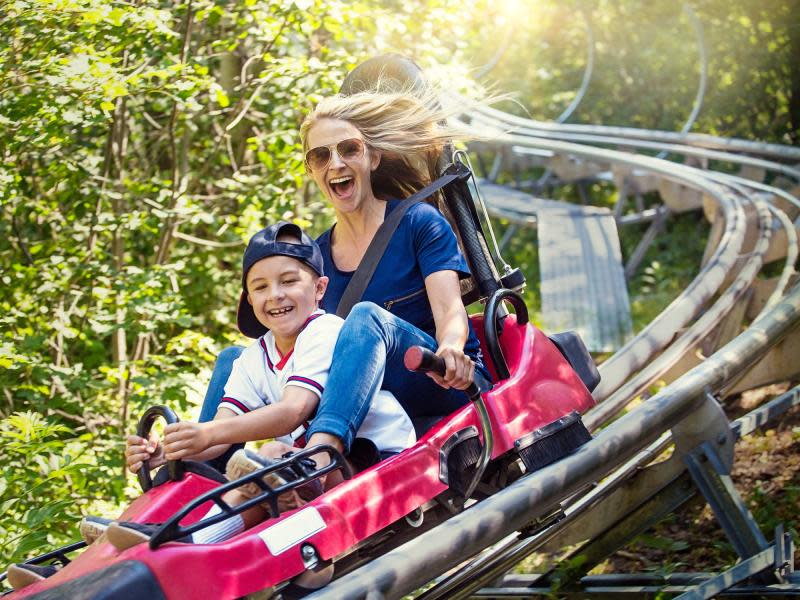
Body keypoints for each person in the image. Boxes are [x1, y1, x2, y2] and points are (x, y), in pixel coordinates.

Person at [5, 221, 415, 591]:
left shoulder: (325, 331)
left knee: (267, 459)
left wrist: (209, 434)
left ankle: (186, 542)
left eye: (289, 281)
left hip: (369, 458)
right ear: (248, 298)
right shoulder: (255, 356)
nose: (275, 296)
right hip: (307, 468)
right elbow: (220, 431)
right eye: (260, 287)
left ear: (320, 289)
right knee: (245, 468)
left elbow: (292, 411)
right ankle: (84, 569)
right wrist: (169, 450)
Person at [199, 87, 492, 482]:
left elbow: (450, 311)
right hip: (363, 399)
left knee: (366, 317)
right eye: (321, 155)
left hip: (439, 377)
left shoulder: (418, 223)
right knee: (235, 358)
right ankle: (188, 481)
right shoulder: (314, 259)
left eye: (348, 149)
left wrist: (452, 349)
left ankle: (319, 459)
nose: (335, 162)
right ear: (312, 169)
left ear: (372, 157)